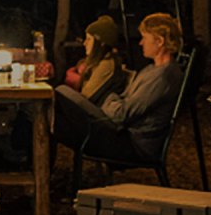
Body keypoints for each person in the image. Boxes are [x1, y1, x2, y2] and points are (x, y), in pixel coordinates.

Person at [54, 13, 184, 162]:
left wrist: (110, 98)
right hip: (119, 131)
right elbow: (123, 101)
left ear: (159, 41)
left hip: (131, 144)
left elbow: (120, 115)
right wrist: (114, 100)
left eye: (145, 38)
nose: (140, 43)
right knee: (54, 107)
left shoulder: (162, 78)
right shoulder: (151, 69)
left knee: (59, 94)